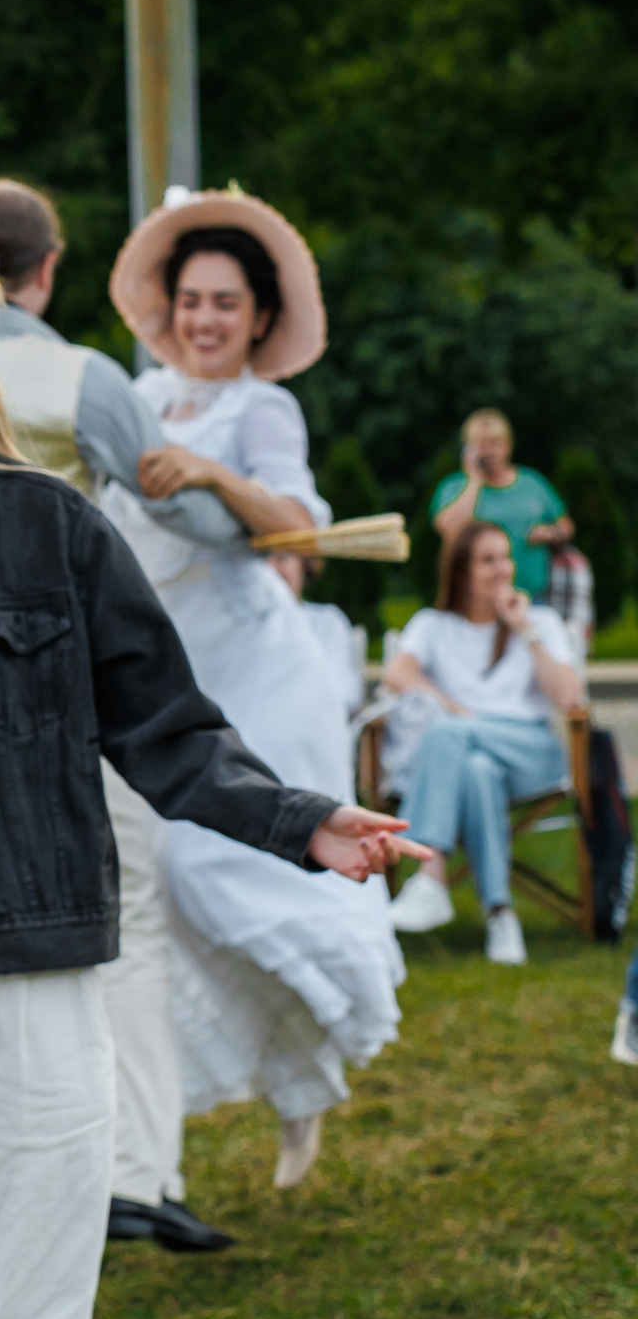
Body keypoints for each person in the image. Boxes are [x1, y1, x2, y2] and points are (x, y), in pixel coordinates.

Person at [0, 226, 412, 1319]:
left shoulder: (53, 527)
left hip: (32, 923)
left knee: (25, 1281)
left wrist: (298, 820)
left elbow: (163, 722)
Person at [0, 174, 252, 1251]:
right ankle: (132, 1171)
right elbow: (204, 528)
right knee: (121, 928)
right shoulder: (88, 379)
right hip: (61, 695)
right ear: (47, 268)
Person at [103, 190, 407, 1193]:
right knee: (154, 900)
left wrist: (213, 477)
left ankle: (311, 1057)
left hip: (253, 675)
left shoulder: (261, 407)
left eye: (225, 304)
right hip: (153, 668)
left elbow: (298, 530)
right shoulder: (132, 395)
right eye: (191, 300)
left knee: (218, 874)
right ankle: (201, 1122)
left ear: (259, 317)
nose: (204, 320)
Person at [381, 519, 586, 964]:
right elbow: (398, 674)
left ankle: (431, 878)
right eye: (487, 560)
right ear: (462, 572)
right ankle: (501, 915)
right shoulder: (434, 625)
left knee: (446, 736)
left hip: (531, 751)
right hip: (466, 752)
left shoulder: (542, 621)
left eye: (505, 557)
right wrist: (453, 708)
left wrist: (524, 630)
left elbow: (569, 696)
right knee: (477, 771)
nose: (502, 569)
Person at [431, 410, 571, 600]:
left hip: (533, 597)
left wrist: (551, 533)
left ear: (508, 445)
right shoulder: (455, 487)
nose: (489, 451)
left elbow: (565, 526)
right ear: (468, 450)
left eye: (495, 443)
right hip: (475, 599)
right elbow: (449, 530)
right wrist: (474, 480)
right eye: (481, 444)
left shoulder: (531, 483)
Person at [271, 551, 368, 719]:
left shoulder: (327, 624)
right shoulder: (235, 629)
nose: (271, 569)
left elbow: (346, 695)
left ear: (304, 565)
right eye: (259, 560)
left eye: (282, 557)